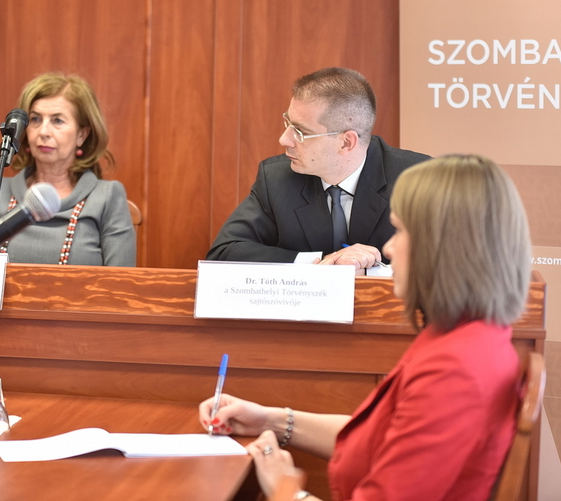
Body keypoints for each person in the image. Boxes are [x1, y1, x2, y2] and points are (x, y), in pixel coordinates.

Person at [199, 155, 532, 501]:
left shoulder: (456, 372)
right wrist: (269, 420)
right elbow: (379, 437)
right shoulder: (464, 339)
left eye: (401, 232)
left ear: (444, 248)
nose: (388, 247)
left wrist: (284, 487)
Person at [206, 67, 429, 271]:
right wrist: (325, 263)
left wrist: (370, 271)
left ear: (346, 142)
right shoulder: (277, 179)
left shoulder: (419, 180)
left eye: (300, 132)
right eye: (288, 123)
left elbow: (442, 267)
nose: (284, 139)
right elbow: (223, 254)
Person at [0, 72, 136, 266]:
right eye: (35, 119)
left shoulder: (107, 197)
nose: (44, 132)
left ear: (82, 134)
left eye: (57, 121)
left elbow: (121, 281)